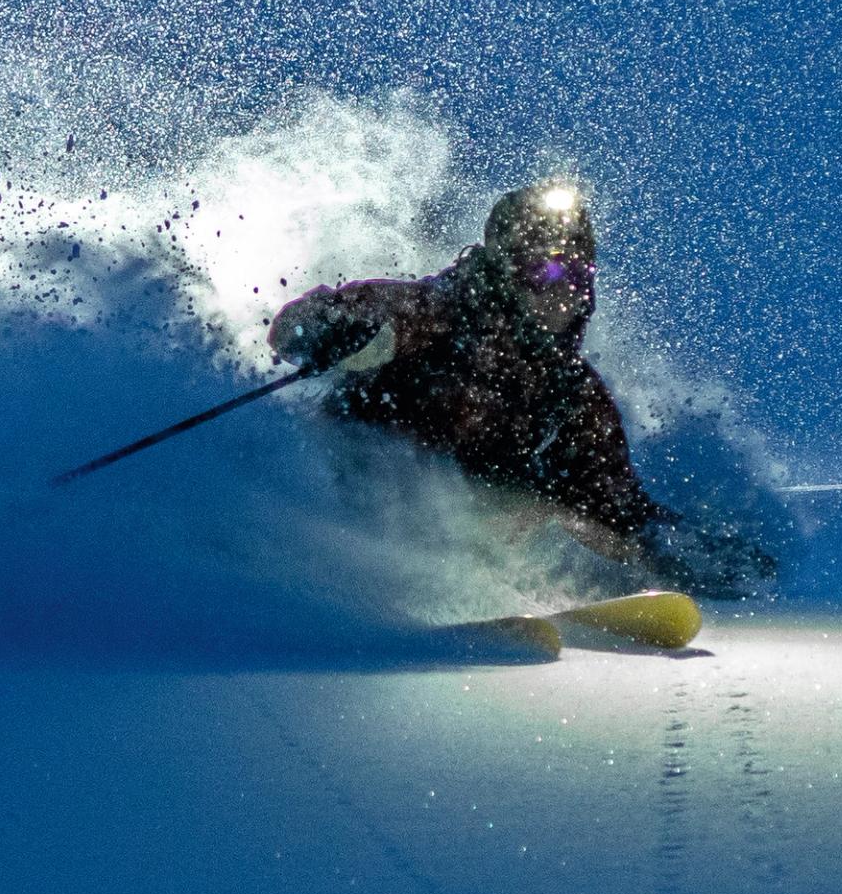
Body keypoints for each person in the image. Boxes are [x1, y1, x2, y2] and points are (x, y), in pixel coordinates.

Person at [265, 182, 776, 594]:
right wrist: (335, 333)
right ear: (505, 270)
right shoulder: (435, 312)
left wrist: (678, 548)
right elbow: (293, 328)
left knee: (572, 518)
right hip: (352, 504)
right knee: (530, 512)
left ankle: (531, 584)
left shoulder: (570, 390)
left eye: (578, 272)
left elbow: (612, 497)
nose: (563, 287)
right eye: (543, 269)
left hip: (463, 532)